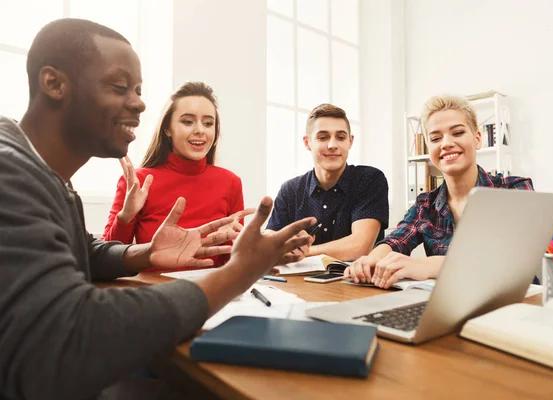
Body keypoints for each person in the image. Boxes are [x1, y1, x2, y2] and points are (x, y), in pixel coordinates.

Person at [0, 18, 313, 399]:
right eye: (120, 87)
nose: (140, 103)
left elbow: (84, 248)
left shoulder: (46, 176)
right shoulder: (10, 173)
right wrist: (239, 273)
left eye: (138, 90)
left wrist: (146, 252)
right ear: (54, 83)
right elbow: (72, 340)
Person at [345, 95, 534, 288]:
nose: (446, 143)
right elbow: (396, 240)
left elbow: (511, 259)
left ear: (477, 139)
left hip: (515, 304)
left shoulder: (514, 190)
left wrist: (429, 265)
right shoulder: (426, 204)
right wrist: (372, 260)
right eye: (435, 138)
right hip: (450, 305)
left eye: (458, 133)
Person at [103, 81, 253, 271]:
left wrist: (233, 244)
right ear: (168, 129)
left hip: (211, 293)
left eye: (208, 123)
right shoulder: (137, 183)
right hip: (155, 293)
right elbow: (107, 257)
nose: (199, 130)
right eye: (188, 121)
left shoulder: (231, 183)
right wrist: (126, 216)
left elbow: (233, 267)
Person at [266, 103, 389, 261]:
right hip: (298, 283)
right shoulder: (290, 189)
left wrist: (303, 251)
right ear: (307, 142)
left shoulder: (369, 179)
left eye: (340, 137)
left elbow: (360, 246)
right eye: (323, 137)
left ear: (350, 141)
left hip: (355, 282)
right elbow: (271, 241)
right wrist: (274, 243)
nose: (332, 145)